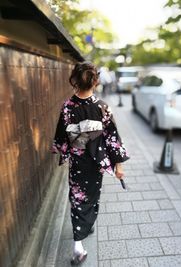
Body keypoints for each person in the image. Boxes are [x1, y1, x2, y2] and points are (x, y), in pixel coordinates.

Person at [52, 62, 129, 265]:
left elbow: (61, 137)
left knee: (78, 198)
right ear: (95, 81)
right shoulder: (102, 107)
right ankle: (79, 244)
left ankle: (83, 233)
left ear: (74, 80)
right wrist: (118, 166)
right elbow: (113, 138)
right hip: (96, 163)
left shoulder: (67, 107)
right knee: (92, 196)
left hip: (77, 162)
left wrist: (62, 150)